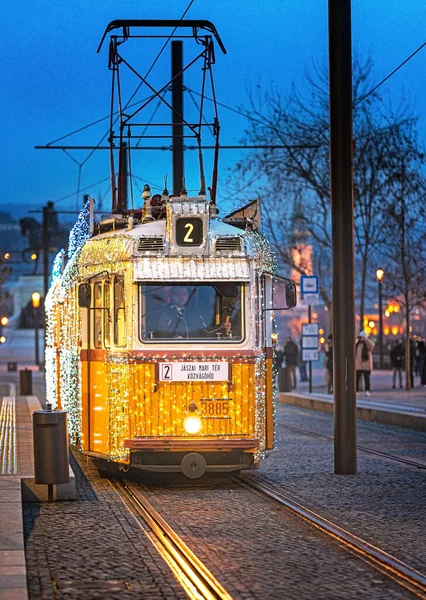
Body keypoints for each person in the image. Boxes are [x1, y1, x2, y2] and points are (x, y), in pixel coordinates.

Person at [355, 331, 375, 396]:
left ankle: (367, 390)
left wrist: (366, 339)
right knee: (357, 378)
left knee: (366, 378)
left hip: (366, 364)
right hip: (358, 365)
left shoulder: (367, 345)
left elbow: (372, 345)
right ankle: (356, 390)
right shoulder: (357, 344)